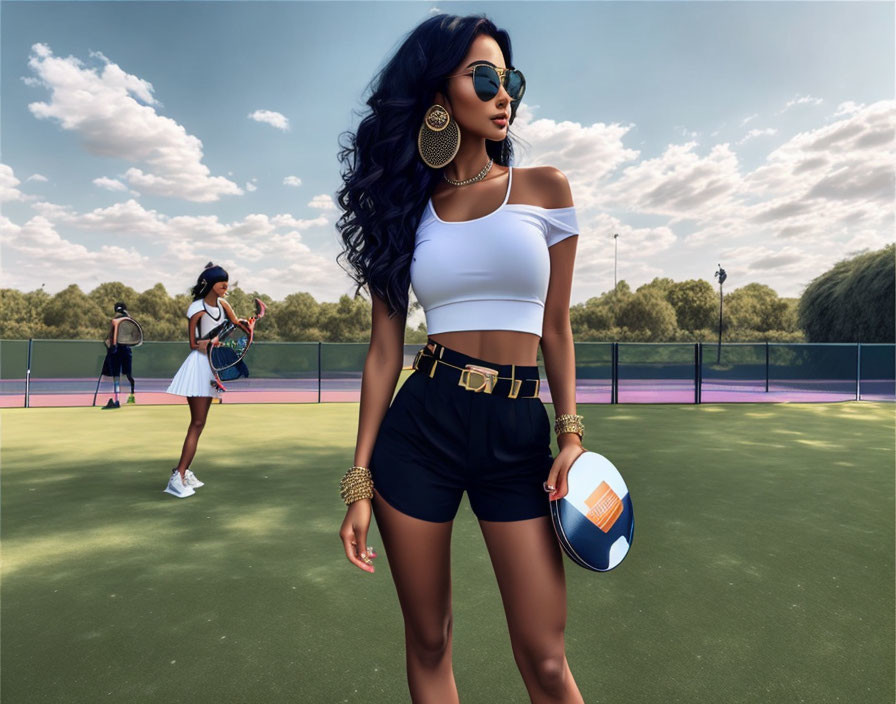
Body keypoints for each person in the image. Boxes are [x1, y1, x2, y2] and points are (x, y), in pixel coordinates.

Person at [335, 14, 587, 703]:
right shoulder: (403, 212)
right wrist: (359, 480)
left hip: (516, 435)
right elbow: (384, 350)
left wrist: (570, 434)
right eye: (485, 77)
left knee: (545, 662)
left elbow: (556, 328)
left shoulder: (546, 189)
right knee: (429, 640)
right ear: (440, 94)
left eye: (511, 81)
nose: (504, 93)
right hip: (422, 431)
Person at [164, 262, 248, 498]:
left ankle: (184, 471)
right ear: (210, 284)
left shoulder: (224, 305)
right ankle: (177, 477)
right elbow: (192, 343)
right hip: (199, 366)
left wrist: (248, 325)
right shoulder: (197, 308)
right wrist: (210, 343)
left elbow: (236, 325)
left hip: (212, 366)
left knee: (200, 423)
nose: (225, 285)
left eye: (226, 281)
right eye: (222, 281)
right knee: (197, 423)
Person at [100, 302, 135, 409]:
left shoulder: (115, 321)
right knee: (127, 375)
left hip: (118, 350)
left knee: (117, 376)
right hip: (126, 349)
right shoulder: (129, 320)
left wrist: (113, 346)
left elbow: (113, 336)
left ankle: (118, 400)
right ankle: (127, 397)